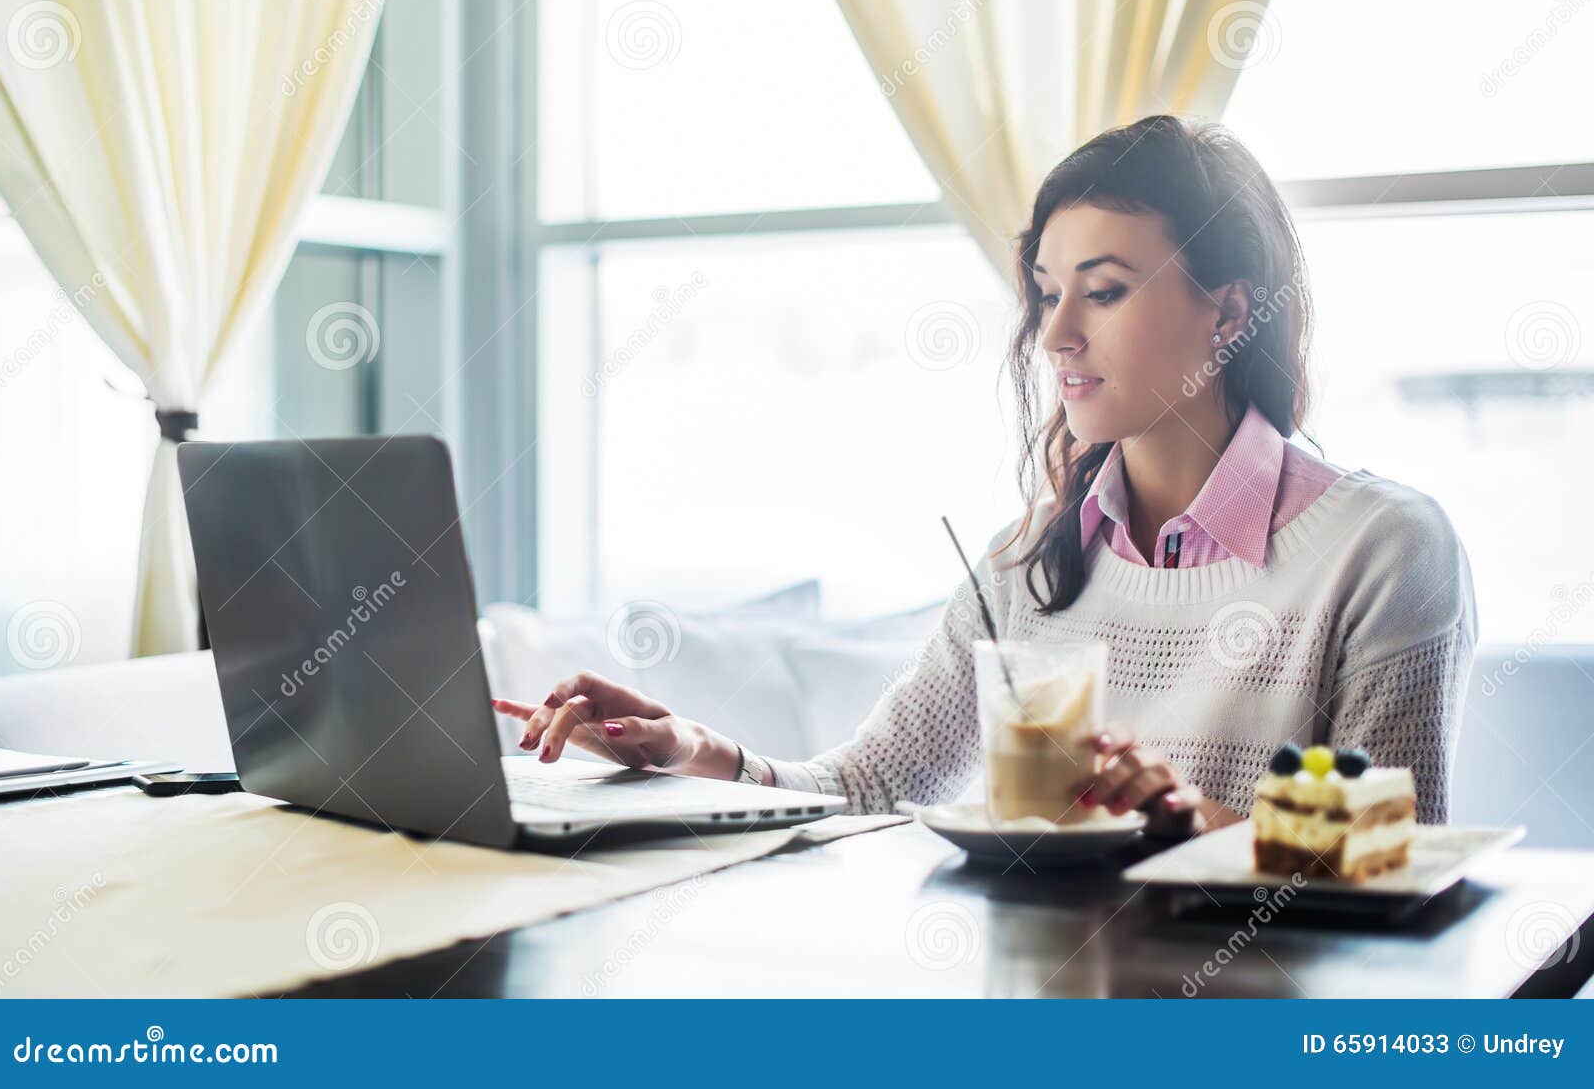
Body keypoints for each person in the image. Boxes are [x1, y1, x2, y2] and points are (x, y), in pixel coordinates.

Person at [494, 114, 1477, 838]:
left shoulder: (1382, 550)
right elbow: (870, 788)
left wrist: (1183, 820)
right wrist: (688, 753)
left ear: (1227, 314)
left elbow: (1388, 861)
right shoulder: (1028, 564)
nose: (1055, 335)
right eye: (1046, 294)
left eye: (1102, 291)